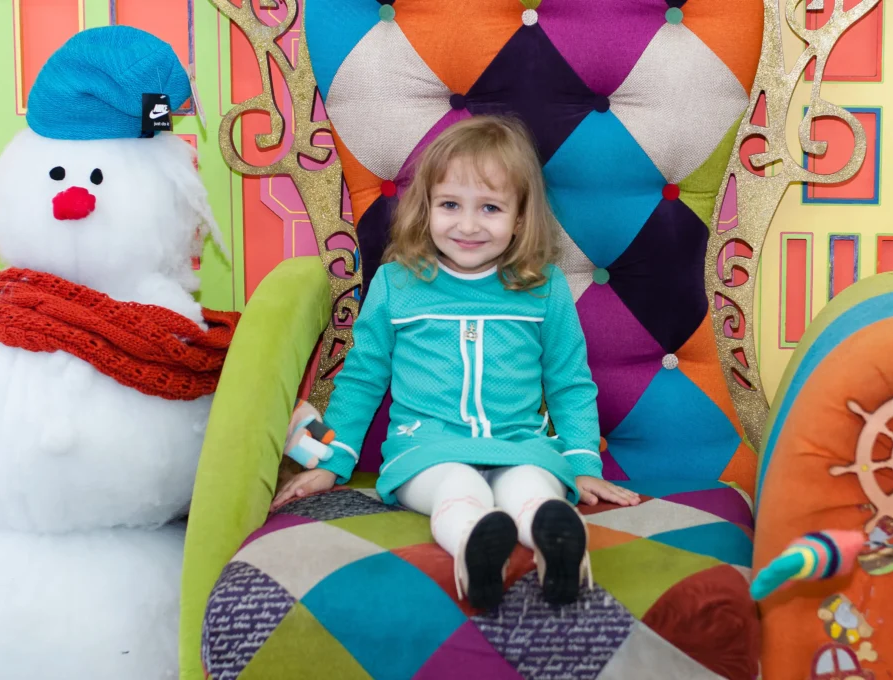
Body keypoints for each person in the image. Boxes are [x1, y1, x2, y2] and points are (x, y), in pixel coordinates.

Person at [271, 115, 639, 610]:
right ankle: (475, 545)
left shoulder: (543, 288)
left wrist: (581, 463)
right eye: (450, 205)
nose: (468, 225)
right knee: (459, 485)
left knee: (533, 488)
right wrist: (334, 462)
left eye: (490, 207)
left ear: (521, 217)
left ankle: (559, 543)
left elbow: (569, 384)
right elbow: (362, 379)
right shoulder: (397, 284)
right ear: (425, 209)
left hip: (521, 445)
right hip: (426, 450)